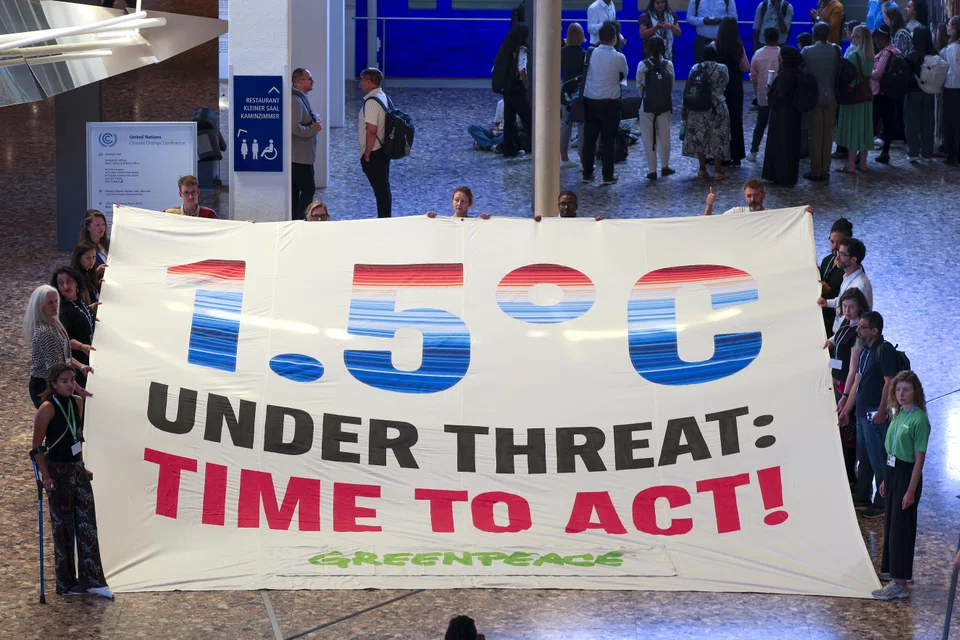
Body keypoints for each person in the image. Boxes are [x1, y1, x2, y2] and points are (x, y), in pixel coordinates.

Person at [31, 363, 113, 599]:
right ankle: (66, 584)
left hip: (76, 470)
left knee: (87, 524)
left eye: (71, 380)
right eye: (64, 381)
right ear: (54, 384)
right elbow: (37, 448)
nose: (69, 385)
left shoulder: (77, 403)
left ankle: (93, 580)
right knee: (63, 528)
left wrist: (83, 466)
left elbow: (76, 437)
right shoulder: (46, 409)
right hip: (57, 472)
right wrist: (45, 476)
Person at [873, 371, 929, 600]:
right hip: (893, 472)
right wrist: (887, 478)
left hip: (907, 475)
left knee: (901, 530)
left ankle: (900, 584)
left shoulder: (919, 420)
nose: (901, 394)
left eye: (906, 389)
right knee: (892, 527)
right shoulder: (897, 415)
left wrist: (910, 491)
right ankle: (895, 572)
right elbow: (893, 450)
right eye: (898, 390)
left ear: (915, 391)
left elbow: (919, 461)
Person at [837, 310, 896, 520]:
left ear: (874, 330)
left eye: (862, 327)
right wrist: (846, 410)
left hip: (875, 416)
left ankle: (881, 503)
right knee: (864, 458)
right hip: (862, 414)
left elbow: (889, 383)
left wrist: (882, 411)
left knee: (879, 459)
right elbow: (857, 382)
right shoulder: (865, 350)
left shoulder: (885, 350)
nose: (858, 330)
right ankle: (862, 497)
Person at [823, 287, 871, 484]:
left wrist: (845, 395)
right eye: (844, 306)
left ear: (860, 307)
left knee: (847, 432)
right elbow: (838, 339)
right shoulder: (845, 323)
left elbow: (853, 367)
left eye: (852, 307)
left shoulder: (860, 334)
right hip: (837, 380)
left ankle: (850, 477)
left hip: (847, 385)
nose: (848, 310)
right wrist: (830, 342)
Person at [23, 285, 91, 408]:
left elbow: (65, 355)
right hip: (44, 386)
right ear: (40, 306)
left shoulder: (54, 323)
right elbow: (57, 369)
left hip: (56, 381)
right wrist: (79, 389)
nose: (55, 306)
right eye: (50, 303)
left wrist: (81, 367)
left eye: (56, 301)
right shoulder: (44, 332)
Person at [580, 23, 628, 186]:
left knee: (589, 140)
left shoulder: (590, 53)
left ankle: (587, 173)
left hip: (590, 100)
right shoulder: (619, 57)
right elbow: (624, 74)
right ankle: (608, 176)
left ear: (599, 38)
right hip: (611, 103)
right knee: (608, 141)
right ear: (615, 39)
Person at [683, 46, 731, 179]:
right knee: (718, 138)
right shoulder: (722, 68)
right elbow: (726, 83)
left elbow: (689, 88)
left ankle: (702, 169)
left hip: (697, 107)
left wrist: (684, 107)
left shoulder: (695, 68)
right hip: (717, 107)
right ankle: (717, 171)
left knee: (699, 138)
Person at [802, 22, 841, 181]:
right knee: (828, 134)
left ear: (814, 34)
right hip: (832, 96)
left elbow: (802, 70)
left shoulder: (807, 51)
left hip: (814, 96)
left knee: (815, 135)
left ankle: (816, 169)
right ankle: (826, 169)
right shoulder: (835, 50)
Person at [836, 25, 876, 173]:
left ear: (860, 38)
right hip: (866, 95)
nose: (852, 38)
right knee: (865, 129)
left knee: (853, 129)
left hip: (854, 97)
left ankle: (851, 164)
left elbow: (845, 76)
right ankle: (863, 164)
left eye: (854, 36)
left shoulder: (853, 55)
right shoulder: (871, 56)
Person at [762, 45, 804, 185]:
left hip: (782, 114)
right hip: (792, 114)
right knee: (790, 145)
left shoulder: (785, 74)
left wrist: (770, 91)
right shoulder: (795, 73)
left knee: (780, 144)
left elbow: (779, 96)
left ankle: (779, 174)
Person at [636, 36, 676, 180]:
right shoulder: (668, 65)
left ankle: (652, 170)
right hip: (664, 105)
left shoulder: (642, 65)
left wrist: (648, 96)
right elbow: (671, 86)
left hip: (647, 105)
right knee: (664, 137)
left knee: (648, 138)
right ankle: (665, 166)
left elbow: (639, 86)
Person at [50, 267, 96, 388]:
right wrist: (81, 347)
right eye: (61, 283)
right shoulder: (61, 311)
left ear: (76, 282)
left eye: (69, 281)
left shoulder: (79, 300)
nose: (65, 286)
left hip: (90, 355)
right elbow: (65, 339)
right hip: (78, 362)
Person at [713, 17, 750, 166]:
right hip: (735, 86)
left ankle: (721, 156)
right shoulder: (738, 45)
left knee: (720, 122)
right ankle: (737, 155)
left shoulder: (715, 45)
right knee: (736, 121)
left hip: (720, 88)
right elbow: (746, 66)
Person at [493, 23, 533, 159]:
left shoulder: (505, 49)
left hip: (506, 88)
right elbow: (522, 69)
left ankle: (510, 150)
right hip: (517, 88)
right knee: (528, 118)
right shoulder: (521, 49)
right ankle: (539, 148)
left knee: (509, 120)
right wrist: (526, 84)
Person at [818, 236, 873, 332]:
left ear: (853, 260)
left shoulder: (860, 285)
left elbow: (857, 321)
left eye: (842, 254)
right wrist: (827, 303)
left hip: (848, 339)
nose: (837, 257)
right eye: (838, 252)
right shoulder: (847, 276)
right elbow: (842, 300)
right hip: (840, 335)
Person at [358, 67, 393, 218]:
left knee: (380, 191)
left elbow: (371, 130)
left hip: (374, 153)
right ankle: (385, 218)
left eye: (362, 80)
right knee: (384, 189)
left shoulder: (371, 102)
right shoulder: (382, 96)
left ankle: (383, 220)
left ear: (369, 82)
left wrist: (366, 154)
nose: (360, 83)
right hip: (383, 150)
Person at [291, 67, 322, 221]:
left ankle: (297, 220)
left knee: (299, 191)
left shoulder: (301, 97)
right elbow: (295, 128)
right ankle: (301, 220)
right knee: (308, 190)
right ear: (299, 81)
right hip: (299, 157)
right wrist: (314, 128)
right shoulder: (295, 101)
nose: (312, 81)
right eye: (309, 78)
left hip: (303, 156)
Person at [747, 27, 782, 162]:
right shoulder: (782, 53)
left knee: (760, 123)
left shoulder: (758, 54)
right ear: (778, 38)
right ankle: (777, 152)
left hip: (762, 94)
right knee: (778, 124)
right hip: (780, 95)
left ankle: (754, 151)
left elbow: (754, 77)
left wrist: (757, 94)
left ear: (764, 37)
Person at [904, 26, 937, 162]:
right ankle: (927, 153)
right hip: (929, 92)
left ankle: (913, 153)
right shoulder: (935, 55)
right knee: (928, 122)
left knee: (912, 122)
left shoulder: (911, 55)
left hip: (913, 92)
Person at [872, 26, 904, 164]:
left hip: (881, 93)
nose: (875, 42)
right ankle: (885, 151)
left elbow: (878, 74)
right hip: (893, 92)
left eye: (876, 39)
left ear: (881, 39)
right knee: (888, 123)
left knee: (872, 122)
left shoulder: (886, 53)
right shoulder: (897, 51)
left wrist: (867, 70)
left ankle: (862, 154)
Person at [819, 217, 854, 335]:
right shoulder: (827, 260)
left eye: (839, 243)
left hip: (839, 325)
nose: (834, 246)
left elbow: (852, 300)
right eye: (832, 241)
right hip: (821, 320)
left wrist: (829, 290)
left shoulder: (852, 267)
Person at [561, 23, 587, 167]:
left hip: (565, 91)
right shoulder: (584, 54)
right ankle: (582, 159)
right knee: (582, 124)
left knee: (565, 123)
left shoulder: (562, 52)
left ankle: (563, 157)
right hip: (580, 92)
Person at [940, 17, 960, 165]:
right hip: (954, 87)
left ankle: (953, 153)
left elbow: (955, 68)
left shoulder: (953, 48)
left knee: (951, 123)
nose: (947, 28)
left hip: (953, 87)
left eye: (949, 26)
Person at [426, 187, 492, 219]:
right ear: (452, 201)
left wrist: (487, 222)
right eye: (456, 200)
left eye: (463, 201)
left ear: (469, 203)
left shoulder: (475, 223)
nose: (459, 204)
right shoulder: (445, 222)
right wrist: (430, 220)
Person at [70, 240, 102, 306]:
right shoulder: (75, 279)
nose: (92, 261)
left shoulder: (89, 272)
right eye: (88, 258)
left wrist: (99, 285)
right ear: (79, 258)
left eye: (94, 257)